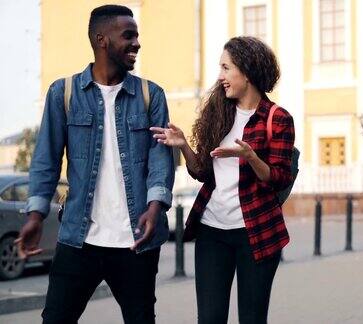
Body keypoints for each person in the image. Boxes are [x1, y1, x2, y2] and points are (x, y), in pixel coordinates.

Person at [16, 5, 174, 323]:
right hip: (79, 238)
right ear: (102, 40)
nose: (137, 43)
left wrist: (155, 206)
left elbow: (161, 158)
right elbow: (46, 159)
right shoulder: (65, 93)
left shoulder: (150, 95)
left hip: (136, 241)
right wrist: (35, 214)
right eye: (128, 35)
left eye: (137, 35)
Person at [151, 36, 294, 324]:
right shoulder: (219, 112)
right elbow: (203, 172)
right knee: (210, 318)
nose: (221, 76)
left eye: (227, 68)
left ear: (247, 70)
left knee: (252, 319)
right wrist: (183, 146)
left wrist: (252, 157)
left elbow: (278, 178)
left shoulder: (277, 118)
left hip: (255, 233)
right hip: (212, 231)